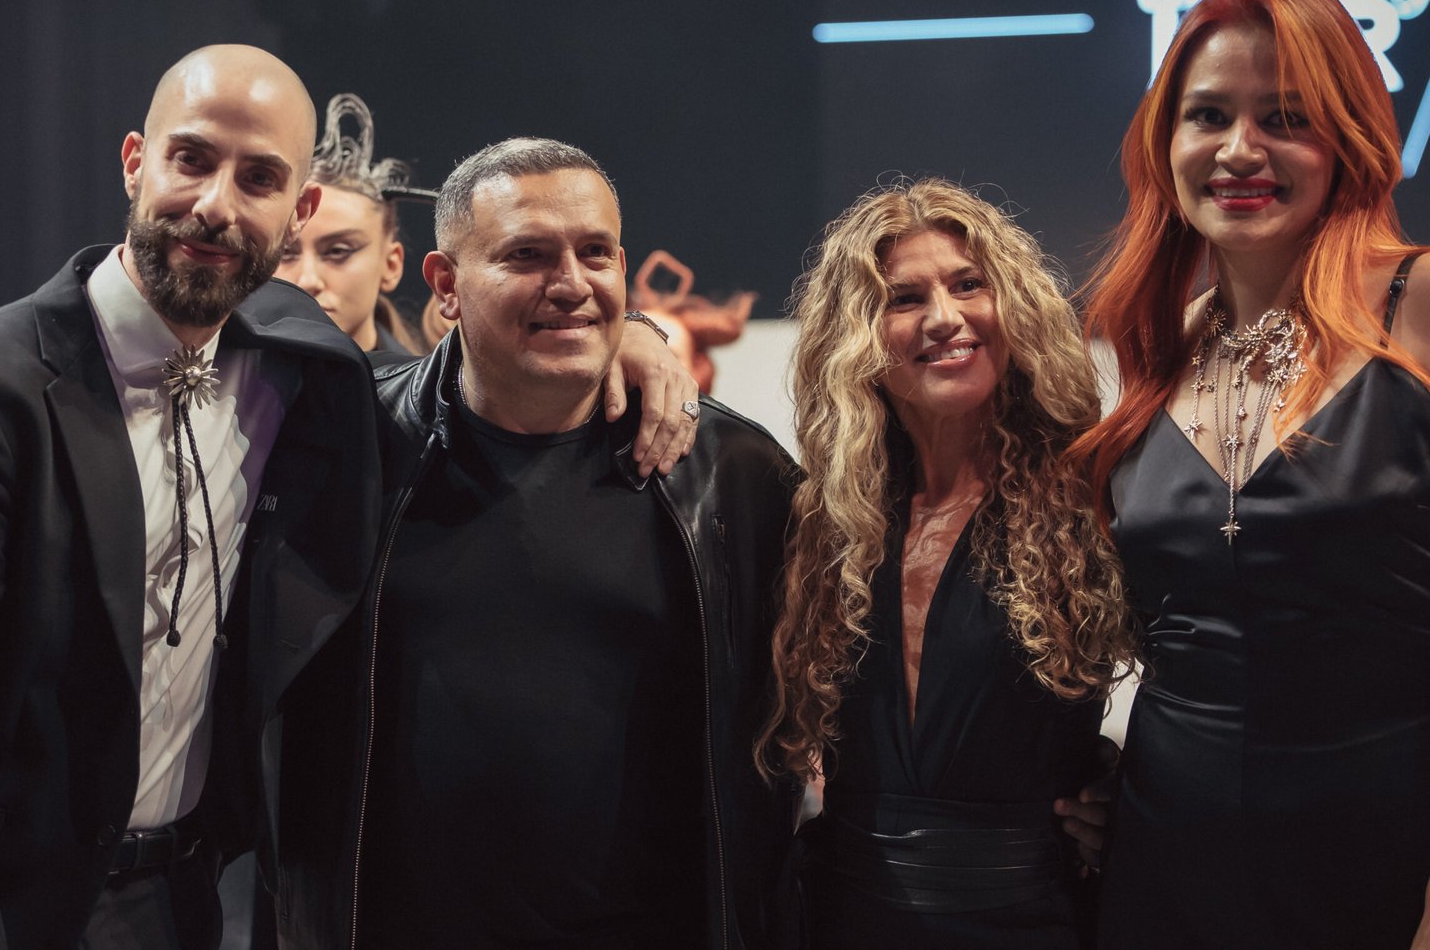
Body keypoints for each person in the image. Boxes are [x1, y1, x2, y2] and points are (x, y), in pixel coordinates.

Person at [0, 44, 379, 949]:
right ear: (135, 161)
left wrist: (617, 339)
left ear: (300, 211)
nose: (215, 204)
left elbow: (444, 393)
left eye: (259, 177)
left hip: (178, 905)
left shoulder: (304, 374)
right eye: (191, 158)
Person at [271, 137, 798, 949]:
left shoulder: (733, 473)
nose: (573, 283)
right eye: (528, 255)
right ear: (445, 285)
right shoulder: (346, 450)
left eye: (596, 253)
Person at [1074, 0, 1430, 948]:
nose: (1239, 149)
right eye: (1208, 116)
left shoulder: (1417, 308)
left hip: (1377, 874)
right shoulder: (1159, 345)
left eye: (1285, 117)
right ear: (1166, 143)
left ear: (1348, 138)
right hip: (1161, 872)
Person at [758, 180, 1134, 948]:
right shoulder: (823, 521)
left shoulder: (1096, 494)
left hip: (1032, 918)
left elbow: (1215, 668)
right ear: (858, 335)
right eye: (904, 298)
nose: (944, 317)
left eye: (969, 285)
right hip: (843, 915)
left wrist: (1135, 791)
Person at [275, 92, 428, 356]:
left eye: (338, 251)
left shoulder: (430, 384)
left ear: (391, 265)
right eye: (285, 252)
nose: (308, 280)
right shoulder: (222, 374)